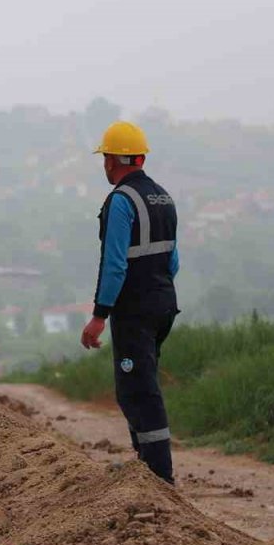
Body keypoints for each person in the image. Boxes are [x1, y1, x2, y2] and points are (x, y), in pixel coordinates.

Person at [80, 121, 180, 484]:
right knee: (142, 382)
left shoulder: (121, 202)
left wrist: (99, 315)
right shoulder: (163, 197)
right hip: (163, 304)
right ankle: (147, 471)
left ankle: (158, 479)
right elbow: (173, 262)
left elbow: (114, 263)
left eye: (105, 157)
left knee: (137, 391)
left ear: (111, 160)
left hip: (134, 311)